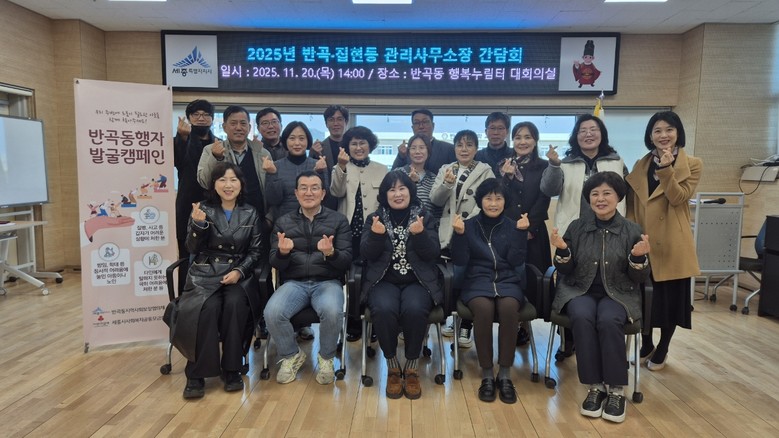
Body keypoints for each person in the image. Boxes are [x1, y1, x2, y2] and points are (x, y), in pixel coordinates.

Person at [549, 171, 650, 423]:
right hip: (580, 290)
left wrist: (638, 257)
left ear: (618, 197)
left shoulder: (631, 230)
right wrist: (562, 251)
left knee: (608, 320)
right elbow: (565, 270)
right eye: (595, 194)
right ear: (589, 199)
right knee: (582, 316)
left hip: (618, 294)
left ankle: (616, 390)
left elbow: (639, 277)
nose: (600, 199)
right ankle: (594, 386)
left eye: (607, 193)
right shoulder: (577, 227)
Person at [166, 162, 263, 399]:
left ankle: (232, 369)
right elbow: (191, 248)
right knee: (205, 309)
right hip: (204, 273)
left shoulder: (250, 212)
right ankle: (196, 374)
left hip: (237, 275)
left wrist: (239, 271)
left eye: (233, 180)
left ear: (241, 185)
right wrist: (198, 225)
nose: (228, 185)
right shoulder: (202, 209)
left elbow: (255, 251)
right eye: (222, 180)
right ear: (214, 184)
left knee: (235, 305)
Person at [540, 114, 626, 358]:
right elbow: (549, 189)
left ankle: (601, 341)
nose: (588, 134)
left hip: (611, 232)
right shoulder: (566, 163)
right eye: (582, 130)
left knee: (605, 283)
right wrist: (553, 165)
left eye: (593, 129)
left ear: (602, 134)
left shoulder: (616, 161)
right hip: (573, 232)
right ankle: (568, 341)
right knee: (569, 283)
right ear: (575, 136)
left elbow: (625, 193)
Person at [625, 111, 702, 371]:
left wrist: (667, 170)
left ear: (678, 133)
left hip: (672, 242)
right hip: (644, 240)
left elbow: (678, 197)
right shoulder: (641, 164)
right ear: (650, 136)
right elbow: (633, 203)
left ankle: (664, 347)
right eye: (657, 131)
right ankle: (646, 344)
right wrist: (632, 233)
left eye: (669, 129)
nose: (663, 135)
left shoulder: (692, 164)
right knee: (644, 297)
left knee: (670, 300)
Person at [263, 171, 352, 385]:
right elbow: (274, 262)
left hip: (328, 282)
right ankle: (292, 355)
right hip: (294, 283)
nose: (309, 192)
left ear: (323, 193)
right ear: (296, 193)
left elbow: (346, 261)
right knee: (272, 312)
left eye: (314, 188)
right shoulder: (283, 222)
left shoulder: (338, 221)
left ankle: (326, 358)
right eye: (303, 188)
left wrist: (331, 253)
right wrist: (282, 253)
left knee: (332, 311)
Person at [361, 171, 441, 400]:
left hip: (417, 280)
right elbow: (366, 254)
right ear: (385, 194)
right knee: (383, 309)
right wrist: (376, 236)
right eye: (392, 189)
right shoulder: (375, 218)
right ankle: (393, 367)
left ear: (410, 191)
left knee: (415, 309)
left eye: (402, 188)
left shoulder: (424, 217)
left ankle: (412, 367)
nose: (397, 194)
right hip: (383, 280)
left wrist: (421, 235)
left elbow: (433, 254)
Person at [451, 178, 529, 404]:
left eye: (498, 198)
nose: (493, 203)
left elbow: (516, 261)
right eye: (488, 198)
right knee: (483, 309)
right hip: (477, 281)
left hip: (508, 281)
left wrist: (521, 234)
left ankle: (504, 374)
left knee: (509, 308)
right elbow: (460, 260)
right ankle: (487, 374)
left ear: (505, 201)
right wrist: (459, 235)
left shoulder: (513, 226)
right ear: (480, 201)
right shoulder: (469, 225)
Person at [430, 129, 495, 348]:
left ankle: (467, 324)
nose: (464, 149)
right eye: (459, 144)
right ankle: (453, 318)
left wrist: (469, 224)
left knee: (469, 276)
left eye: (469, 145)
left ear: (476, 148)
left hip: (474, 231)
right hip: (448, 232)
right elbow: (435, 200)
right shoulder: (445, 169)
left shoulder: (485, 170)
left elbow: (489, 200)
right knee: (450, 277)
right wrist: (446, 184)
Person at [330, 125, 388, 342]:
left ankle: (374, 323)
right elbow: (336, 192)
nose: (358, 147)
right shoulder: (340, 167)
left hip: (372, 234)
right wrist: (341, 167)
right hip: (347, 234)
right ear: (347, 147)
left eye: (362, 142)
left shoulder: (382, 169)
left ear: (370, 145)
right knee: (351, 280)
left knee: (373, 278)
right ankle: (353, 323)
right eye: (353, 143)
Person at [499, 121, 552, 346]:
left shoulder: (545, 166)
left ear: (535, 141)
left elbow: (544, 198)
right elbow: (499, 198)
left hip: (534, 232)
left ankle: (525, 325)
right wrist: (507, 178)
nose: (522, 141)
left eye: (527, 137)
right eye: (518, 137)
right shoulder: (503, 165)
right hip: (508, 232)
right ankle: (510, 322)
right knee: (509, 276)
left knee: (531, 278)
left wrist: (530, 227)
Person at [174, 99, 215, 263]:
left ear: (212, 118)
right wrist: (182, 137)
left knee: (214, 251)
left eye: (206, 114)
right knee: (186, 254)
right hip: (187, 204)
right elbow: (176, 161)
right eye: (196, 114)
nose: (201, 118)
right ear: (189, 118)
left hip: (214, 205)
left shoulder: (218, 143)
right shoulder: (181, 140)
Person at [264, 121, 329, 220]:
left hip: (314, 222)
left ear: (308, 141)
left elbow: (325, 197)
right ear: (285, 141)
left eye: (301, 138)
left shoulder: (317, 164)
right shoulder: (275, 166)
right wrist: (272, 174)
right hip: (284, 222)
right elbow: (273, 200)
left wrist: (320, 173)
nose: (297, 143)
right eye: (292, 138)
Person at [392, 109, 455, 173]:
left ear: (433, 125)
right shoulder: (407, 150)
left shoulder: (449, 149)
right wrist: (401, 156)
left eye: (425, 122)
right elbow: (393, 176)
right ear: (412, 127)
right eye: (417, 123)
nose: (421, 126)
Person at [311, 105, 350, 210]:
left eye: (340, 119)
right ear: (326, 124)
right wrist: (312, 154)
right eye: (331, 120)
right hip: (326, 203)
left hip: (349, 201)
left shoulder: (353, 147)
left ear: (346, 122)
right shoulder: (318, 149)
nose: (335, 123)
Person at [398, 134, 442, 221]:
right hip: (401, 224)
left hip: (427, 226)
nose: (417, 152)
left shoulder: (434, 179)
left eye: (422, 148)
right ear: (408, 152)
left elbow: (437, 210)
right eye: (413, 148)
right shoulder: (398, 174)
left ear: (428, 151)